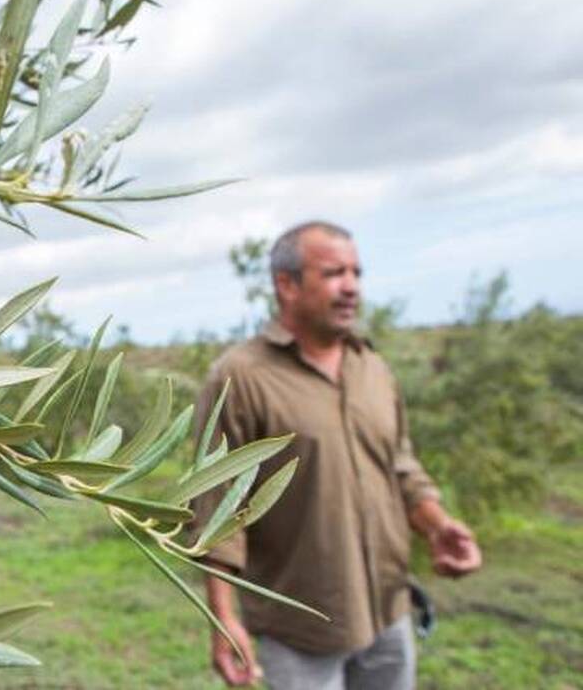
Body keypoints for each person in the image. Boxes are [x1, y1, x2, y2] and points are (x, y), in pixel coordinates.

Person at [191, 221, 482, 689]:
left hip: (388, 612)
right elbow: (216, 511)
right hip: (298, 630)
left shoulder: (373, 368)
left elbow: (399, 465)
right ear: (286, 285)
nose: (351, 287)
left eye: (356, 273)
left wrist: (438, 526)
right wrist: (224, 622)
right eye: (332, 273)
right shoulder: (240, 377)